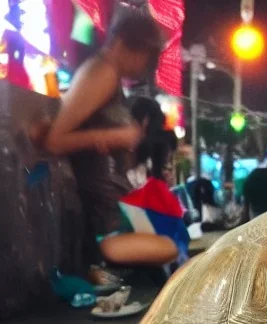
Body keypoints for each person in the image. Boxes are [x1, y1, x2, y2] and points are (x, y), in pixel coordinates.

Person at [40, 9, 178, 271]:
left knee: (172, 248)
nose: (145, 66)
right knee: (172, 250)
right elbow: (54, 141)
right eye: (145, 56)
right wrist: (113, 136)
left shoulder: (107, 75)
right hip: (105, 223)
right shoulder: (101, 73)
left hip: (114, 211)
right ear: (123, 44)